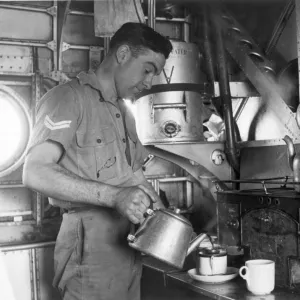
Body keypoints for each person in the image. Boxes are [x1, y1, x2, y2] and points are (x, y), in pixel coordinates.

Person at [23, 22, 173, 300]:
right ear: (124, 54)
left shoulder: (124, 113)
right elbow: (34, 172)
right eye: (148, 69)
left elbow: (134, 177)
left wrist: (166, 222)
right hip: (88, 249)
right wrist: (115, 197)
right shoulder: (68, 98)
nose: (149, 82)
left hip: (127, 249)